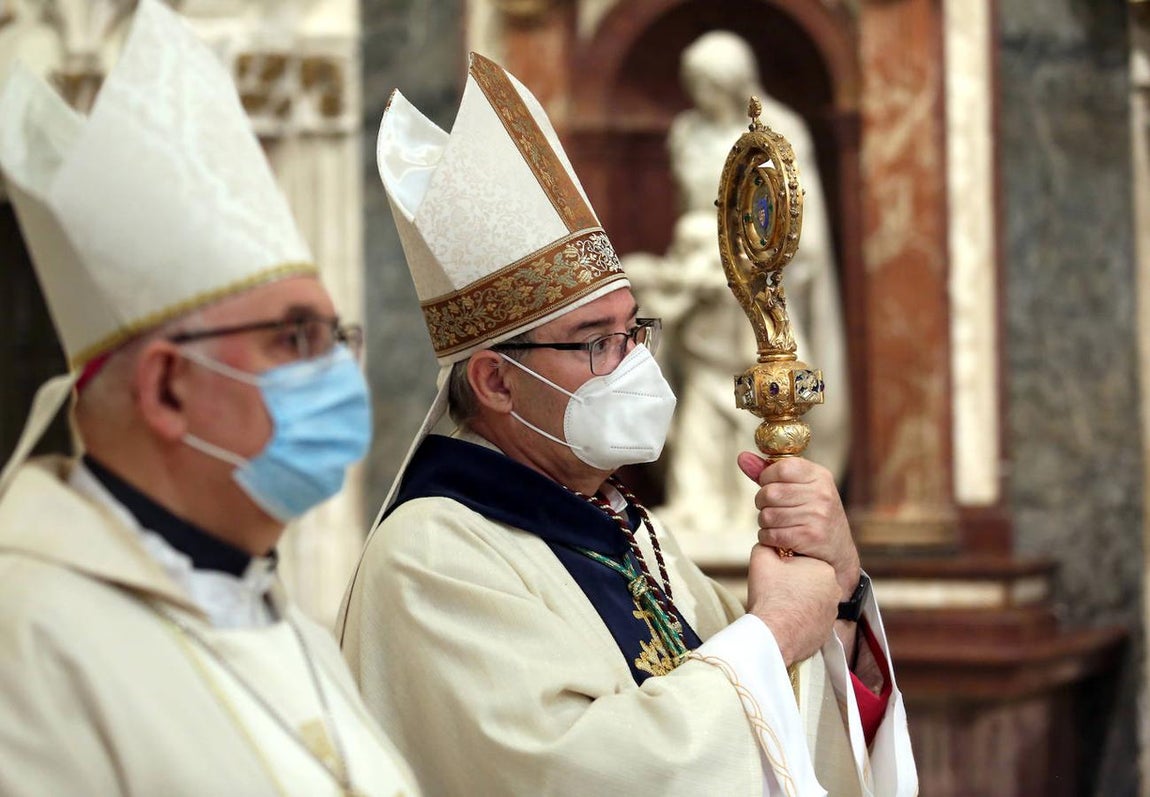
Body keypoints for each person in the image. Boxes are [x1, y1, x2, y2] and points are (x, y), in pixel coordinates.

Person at [338, 53, 917, 796]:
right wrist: (774, 632)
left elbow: (782, 744)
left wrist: (832, 596)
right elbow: (589, 776)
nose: (631, 365)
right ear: (496, 380)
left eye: (631, 331)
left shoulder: (630, 533)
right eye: (594, 342)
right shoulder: (430, 558)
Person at [0, 2, 419, 794]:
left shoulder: (285, 620)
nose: (336, 375)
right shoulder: (27, 636)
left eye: (337, 338)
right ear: (166, 386)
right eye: (294, 339)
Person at [624, 30, 851, 542]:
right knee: (701, 388)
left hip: (760, 280)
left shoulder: (780, 128)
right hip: (701, 280)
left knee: (759, 387)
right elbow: (690, 212)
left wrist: (751, 263)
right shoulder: (685, 131)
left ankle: (757, 503)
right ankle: (699, 501)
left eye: (710, 84)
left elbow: (798, 223)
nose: (700, 95)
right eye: (693, 84)